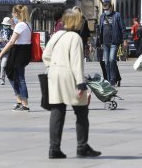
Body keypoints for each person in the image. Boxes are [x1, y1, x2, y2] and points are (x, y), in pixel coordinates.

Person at [42, 9, 101, 159]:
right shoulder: (75, 37)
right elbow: (76, 63)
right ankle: (82, 147)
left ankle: (54, 148)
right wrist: (81, 84)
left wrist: (51, 67)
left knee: (57, 110)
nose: (81, 22)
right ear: (75, 21)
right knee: (81, 111)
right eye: (80, 20)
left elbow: (45, 55)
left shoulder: (56, 35)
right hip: (69, 76)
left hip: (54, 74)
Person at [0, 5, 32, 111]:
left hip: (18, 52)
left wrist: (0, 54)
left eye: (13, 12)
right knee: (14, 75)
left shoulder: (20, 25)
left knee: (19, 77)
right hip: (24, 51)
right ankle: (20, 101)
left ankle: (24, 104)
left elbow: (11, 41)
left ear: (17, 13)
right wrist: (13, 25)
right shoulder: (27, 24)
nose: (12, 15)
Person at [98, 1, 127, 87]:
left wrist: (125, 39)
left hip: (114, 42)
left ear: (111, 7)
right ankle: (108, 79)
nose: (105, 11)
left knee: (112, 60)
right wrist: (100, 42)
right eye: (104, 9)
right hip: (105, 42)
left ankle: (113, 79)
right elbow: (100, 29)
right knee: (106, 62)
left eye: (107, 9)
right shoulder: (102, 16)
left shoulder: (117, 15)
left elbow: (123, 27)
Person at [0, 17, 13, 85]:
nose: (6, 26)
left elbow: (13, 41)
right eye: (4, 25)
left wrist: (7, 41)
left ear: (9, 26)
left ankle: (2, 79)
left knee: (3, 65)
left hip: (6, 50)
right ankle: (2, 74)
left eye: (7, 25)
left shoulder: (11, 31)